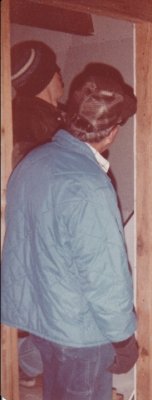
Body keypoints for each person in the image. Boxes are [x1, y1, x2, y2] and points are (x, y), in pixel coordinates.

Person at [1, 64, 139, 400]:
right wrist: (123, 339)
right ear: (113, 130)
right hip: (80, 335)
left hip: (42, 323)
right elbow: (105, 274)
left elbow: (20, 246)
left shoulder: (32, 163)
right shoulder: (90, 186)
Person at [10, 39, 65, 387]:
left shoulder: (38, 117)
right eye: (57, 71)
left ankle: (27, 371)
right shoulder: (35, 123)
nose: (63, 76)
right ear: (47, 79)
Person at [11, 40, 65, 167]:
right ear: (43, 76)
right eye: (54, 67)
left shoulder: (55, 115)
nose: (59, 71)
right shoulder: (24, 120)